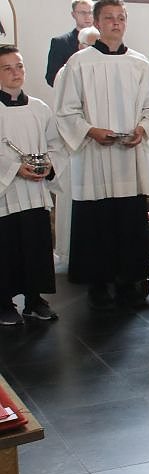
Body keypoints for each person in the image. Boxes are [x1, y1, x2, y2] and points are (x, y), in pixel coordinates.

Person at [53, 0, 149, 311]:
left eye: (121, 17)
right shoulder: (79, 63)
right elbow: (65, 111)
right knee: (97, 221)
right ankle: (99, 283)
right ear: (97, 23)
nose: (116, 23)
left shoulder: (140, 64)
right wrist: (90, 131)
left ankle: (129, 279)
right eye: (109, 18)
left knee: (129, 221)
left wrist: (143, 128)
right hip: (94, 155)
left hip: (129, 157)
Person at [0, 45, 66, 326]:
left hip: (35, 192)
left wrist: (49, 165)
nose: (16, 73)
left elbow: (56, 145)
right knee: (7, 246)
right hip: (7, 193)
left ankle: (34, 300)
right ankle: (3, 303)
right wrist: (15, 168)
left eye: (20, 66)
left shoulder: (40, 108)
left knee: (36, 245)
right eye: (7, 68)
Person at [45, 0, 94, 86]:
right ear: (73, 14)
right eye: (83, 13)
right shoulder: (60, 43)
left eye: (90, 12)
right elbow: (51, 78)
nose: (87, 16)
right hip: (71, 92)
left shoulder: (104, 41)